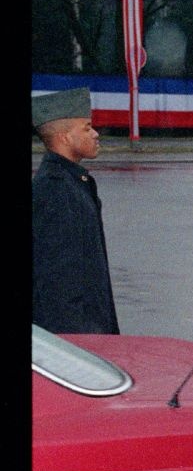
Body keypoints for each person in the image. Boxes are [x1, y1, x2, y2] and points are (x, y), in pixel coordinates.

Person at [33, 87, 119, 335]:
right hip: (77, 337)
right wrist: (79, 343)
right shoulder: (55, 189)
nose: (95, 134)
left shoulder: (72, 182)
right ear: (65, 137)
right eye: (87, 127)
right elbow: (57, 280)